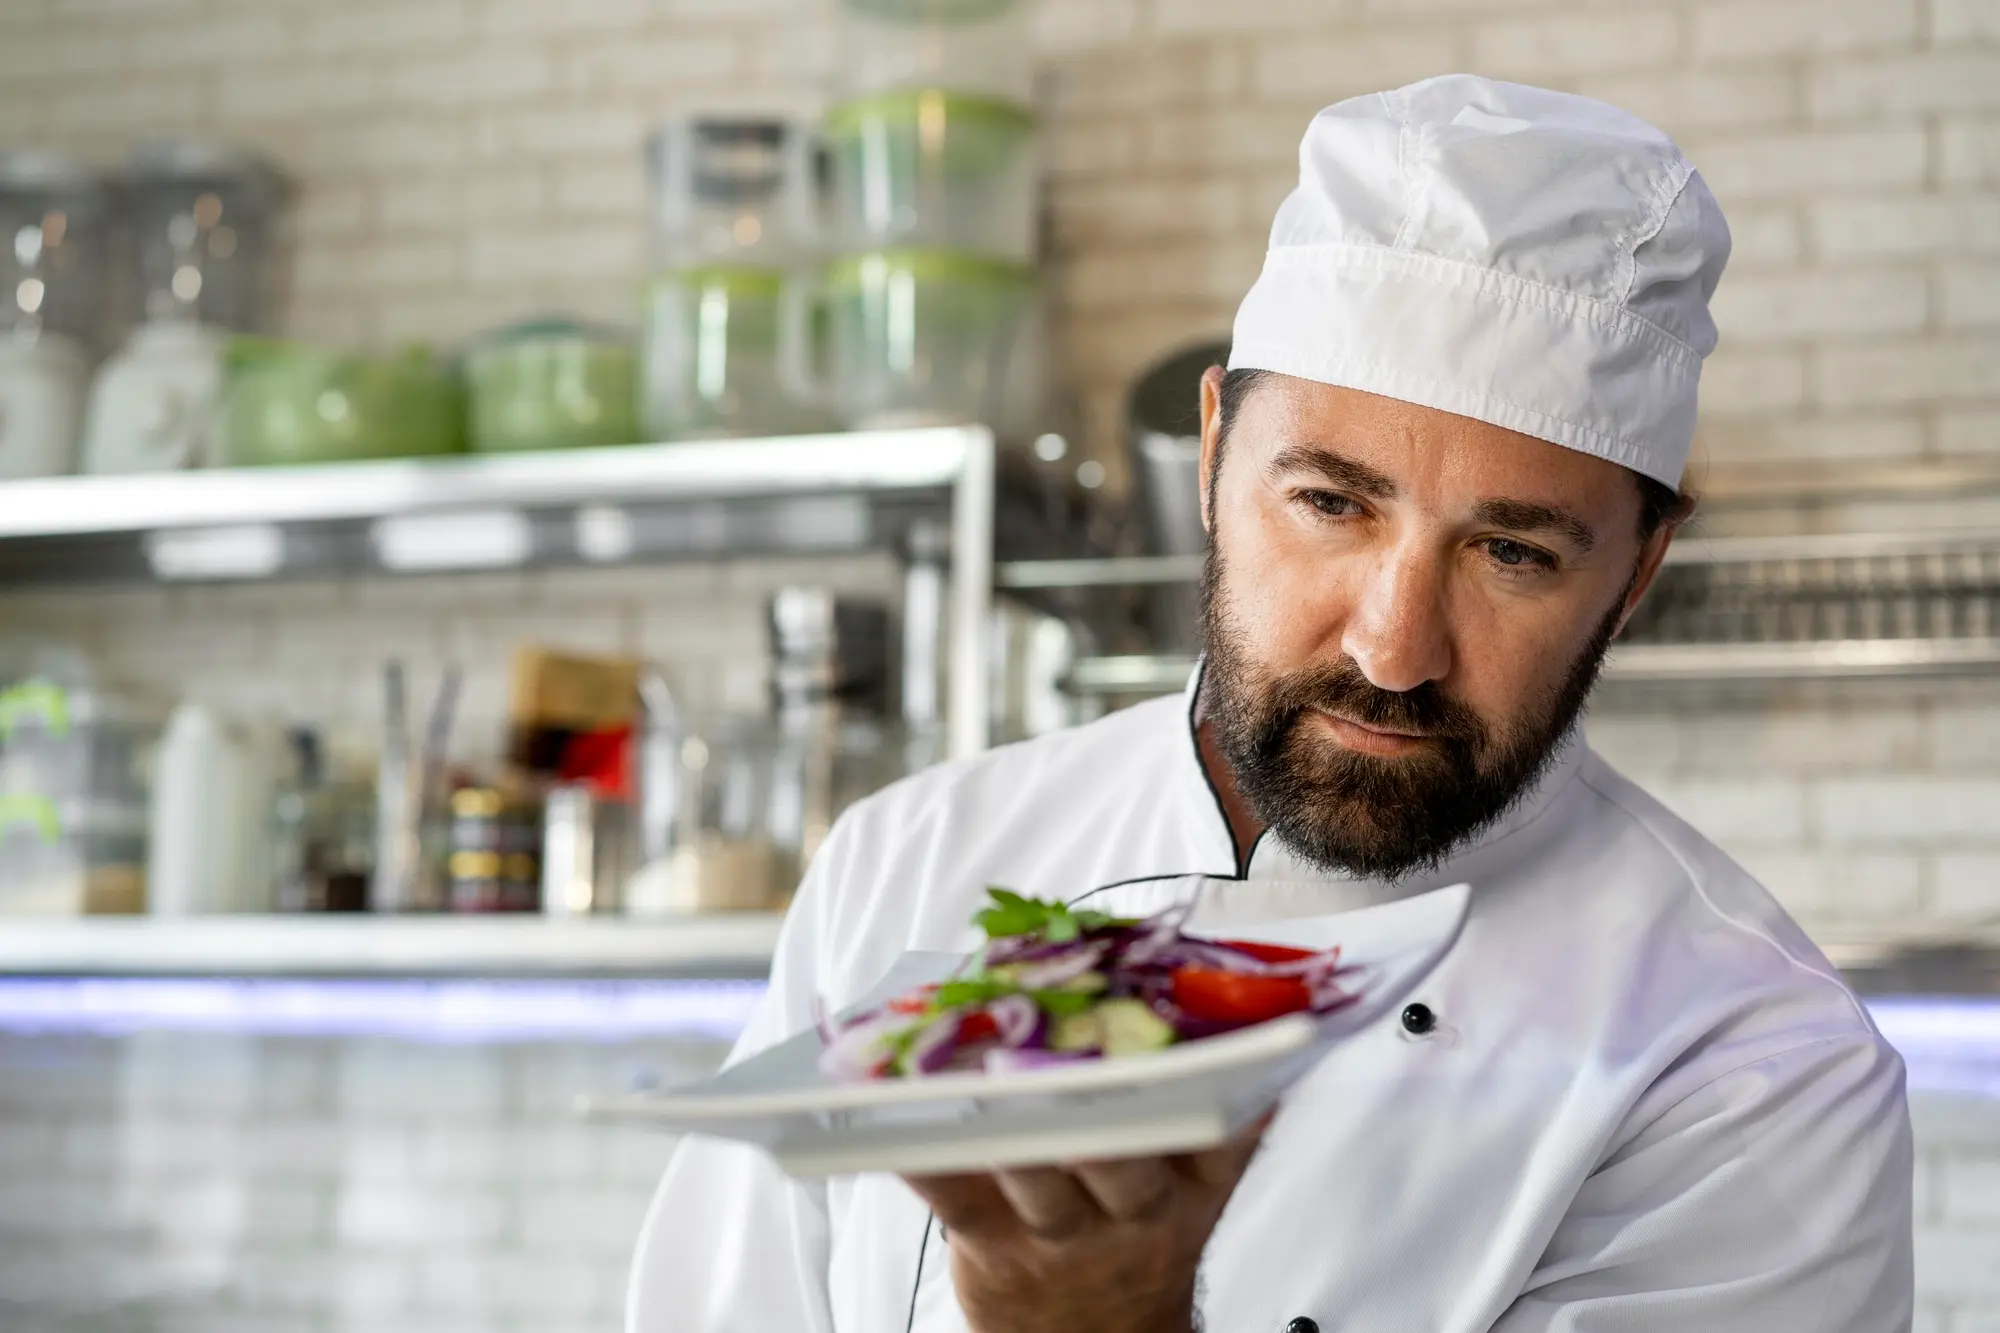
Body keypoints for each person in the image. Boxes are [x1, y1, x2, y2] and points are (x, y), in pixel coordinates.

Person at [627, 74, 1913, 1333]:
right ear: (1210, 456)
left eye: (1511, 552)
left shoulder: (1751, 1068)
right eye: (1329, 503)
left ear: (1634, 571)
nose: (1393, 645)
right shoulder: (907, 861)